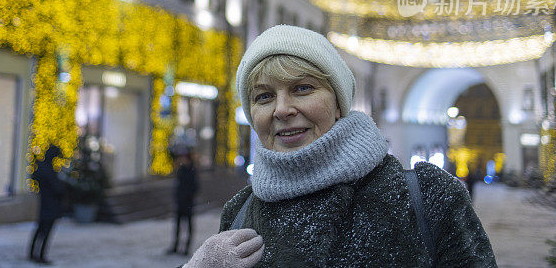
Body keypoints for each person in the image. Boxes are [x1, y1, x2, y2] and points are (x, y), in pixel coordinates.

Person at [183, 25, 496, 267]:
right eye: (264, 96)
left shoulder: (427, 198)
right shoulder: (239, 213)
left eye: (302, 88)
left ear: (338, 103)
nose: (281, 109)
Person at [29, 145, 65, 264]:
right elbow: (57, 188)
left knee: (40, 229)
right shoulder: (48, 169)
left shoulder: (41, 167)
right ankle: (40, 256)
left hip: (45, 202)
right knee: (46, 231)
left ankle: (33, 253)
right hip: (51, 204)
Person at [168, 150, 200, 255]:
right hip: (180, 203)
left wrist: (188, 197)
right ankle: (175, 246)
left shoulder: (192, 171)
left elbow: (195, 187)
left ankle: (186, 248)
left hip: (188, 204)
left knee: (188, 227)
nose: (182, 160)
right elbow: (178, 185)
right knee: (177, 226)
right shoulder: (181, 169)